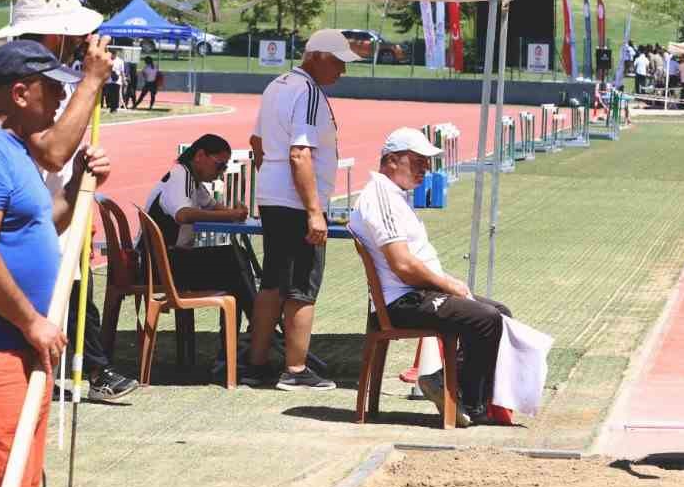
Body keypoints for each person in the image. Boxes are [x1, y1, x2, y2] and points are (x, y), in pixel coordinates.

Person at [0, 40, 100, 487]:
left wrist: (81, 181)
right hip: (2, 344)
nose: (59, 98)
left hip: (20, 345)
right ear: (19, 91)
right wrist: (30, 319)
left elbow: (44, 224)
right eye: (51, 88)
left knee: (13, 484)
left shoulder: (14, 152)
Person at [0, 0, 136, 401]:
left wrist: (78, 185)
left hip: (44, 219)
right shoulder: (23, 81)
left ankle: (91, 366)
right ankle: (94, 368)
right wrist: (92, 81)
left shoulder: (36, 78)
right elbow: (53, 152)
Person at [349, 128, 506, 426]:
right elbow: (402, 265)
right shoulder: (380, 197)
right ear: (392, 160)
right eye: (418, 161)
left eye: (427, 162)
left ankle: (449, 384)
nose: (426, 169)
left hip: (415, 293)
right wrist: (448, 284)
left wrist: (447, 284)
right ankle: (466, 401)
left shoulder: (394, 196)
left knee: (499, 313)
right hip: (403, 301)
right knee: (486, 319)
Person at [245, 28, 361, 390]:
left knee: (273, 283)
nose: (343, 71)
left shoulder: (276, 85)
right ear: (319, 58)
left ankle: (256, 364)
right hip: (296, 201)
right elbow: (301, 153)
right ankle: (295, 371)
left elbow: (257, 143)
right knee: (302, 286)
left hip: (273, 196)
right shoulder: (309, 92)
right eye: (339, 62)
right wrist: (313, 209)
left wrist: (273, 181)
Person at [140, 134, 260, 330]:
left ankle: (247, 334)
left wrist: (236, 213)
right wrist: (231, 216)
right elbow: (184, 215)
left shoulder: (194, 181)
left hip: (169, 261)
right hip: (160, 266)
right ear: (200, 156)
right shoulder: (181, 177)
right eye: (220, 165)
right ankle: (254, 329)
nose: (221, 172)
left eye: (225, 168)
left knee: (235, 257)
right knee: (233, 261)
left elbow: (213, 207)